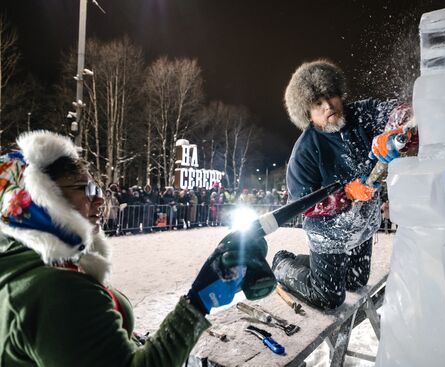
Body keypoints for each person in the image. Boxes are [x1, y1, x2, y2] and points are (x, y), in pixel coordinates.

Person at [0, 130, 273, 366]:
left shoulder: (20, 266)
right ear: (39, 199)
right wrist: (198, 304)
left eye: (98, 189)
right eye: (86, 189)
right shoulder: (56, 292)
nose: (99, 200)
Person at [271, 60, 415, 309]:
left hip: (362, 225)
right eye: (318, 103)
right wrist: (346, 194)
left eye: (330, 96)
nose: (328, 106)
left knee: (355, 281)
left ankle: (318, 267)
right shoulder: (304, 151)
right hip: (329, 232)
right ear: (308, 113)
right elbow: (302, 205)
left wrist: (396, 130)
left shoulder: (363, 115)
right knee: (328, 298)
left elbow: (403, 112)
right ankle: (282, 263)